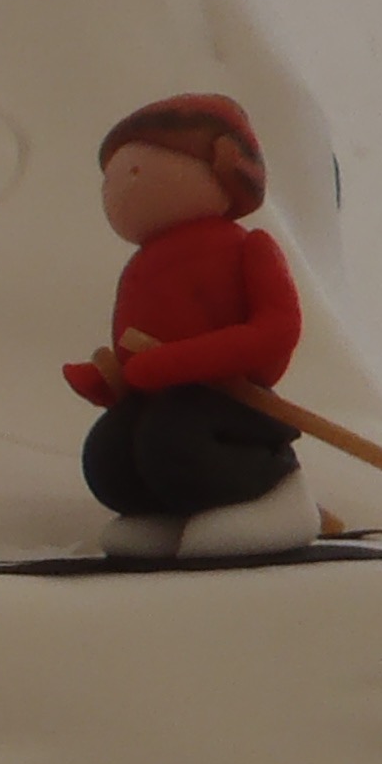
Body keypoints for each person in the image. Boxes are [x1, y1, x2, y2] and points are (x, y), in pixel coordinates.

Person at [63, 93, 311, 560]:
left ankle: (274, 495)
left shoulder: (249, 247)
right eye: (110, 179)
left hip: (232, 401)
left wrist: (180, 361)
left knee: (173, 438)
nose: (119, 189)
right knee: (111, 448)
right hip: (166, 400)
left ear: (223, 165)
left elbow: (278, 330)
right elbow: (139, 350)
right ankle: (164, 513)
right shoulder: (141, 267)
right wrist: (114, 378)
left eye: (136, 171)